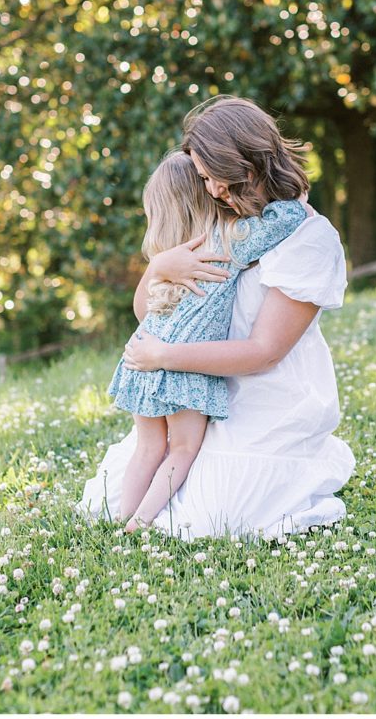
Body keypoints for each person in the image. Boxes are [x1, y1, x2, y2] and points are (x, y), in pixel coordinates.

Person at [78, 96, 355, 539]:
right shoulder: (222, 218)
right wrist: (159, 268)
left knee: (209, 521)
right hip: (201, 394)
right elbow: (147, 311)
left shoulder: (305, 237)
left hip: (266, 405)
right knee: (108, 500)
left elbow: (264, 352)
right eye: (203, 179)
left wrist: (164, 356)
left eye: (214, 177)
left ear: (246, 167)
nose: (210, 190)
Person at [107, 148, 307, 532]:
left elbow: (142, 312)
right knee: (181, 448)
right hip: (183, 364)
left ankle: (120, 519)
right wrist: (295, 194)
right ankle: (141, 522)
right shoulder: (230, 240)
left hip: (139, 354)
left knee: (147, 447)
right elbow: (288, 219)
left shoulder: (167, 255)